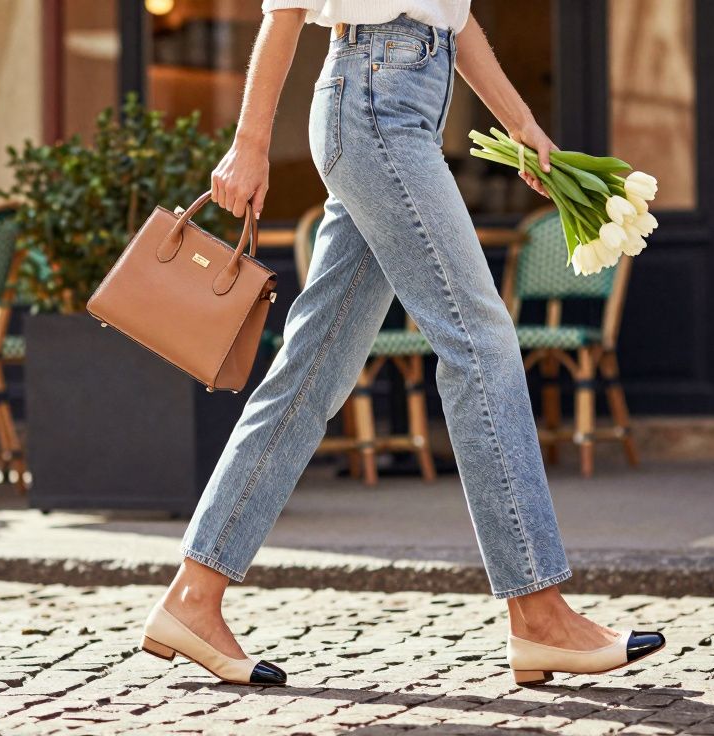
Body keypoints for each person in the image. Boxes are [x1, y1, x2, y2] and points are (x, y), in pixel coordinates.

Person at [139, 1, 665, 687]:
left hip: (398, 105)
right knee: (479, 341)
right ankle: (538, 612)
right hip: (374, 105)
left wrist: (525, 125)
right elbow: (286, 8)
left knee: (312, 372)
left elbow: (458, 19)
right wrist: (250, 142)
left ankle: (193, 596)